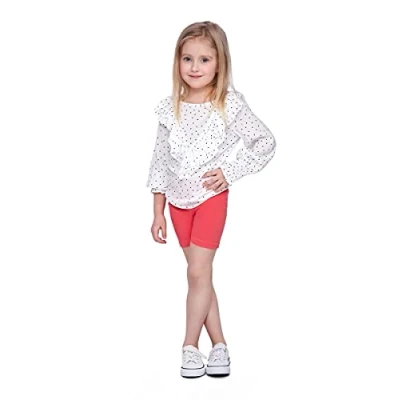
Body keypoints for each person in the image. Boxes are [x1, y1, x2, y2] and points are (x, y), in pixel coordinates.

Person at [146, 21, 276, 378]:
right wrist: (157, 212)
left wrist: (230, 172)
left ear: (219, 64)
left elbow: (265, 142)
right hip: (177, 202)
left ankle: (189, 346)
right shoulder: (169, 108)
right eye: (187, 58)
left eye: (204, 59)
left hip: (209, 198)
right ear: (177, 61)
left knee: (197, 272)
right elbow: (159, 161)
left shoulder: (228, 105)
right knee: (199, 277)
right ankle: (220, 346)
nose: (194, 67)